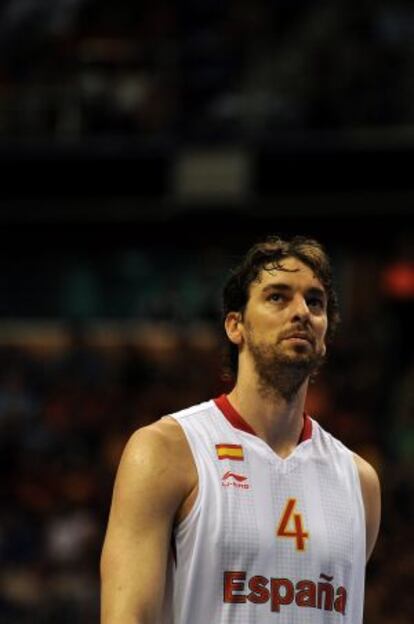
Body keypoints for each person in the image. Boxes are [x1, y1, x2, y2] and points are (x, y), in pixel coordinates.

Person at [100, 235, 381, 624]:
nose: (301, 311)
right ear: (236, 326)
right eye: (278, 297)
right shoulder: (167, 450)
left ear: (325, 333)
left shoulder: (360, 481)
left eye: (314, 301)